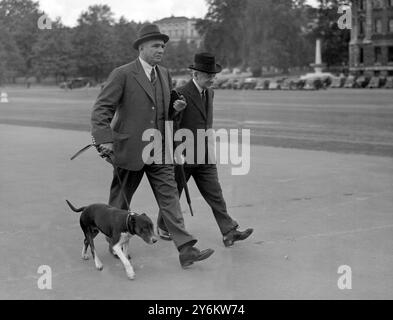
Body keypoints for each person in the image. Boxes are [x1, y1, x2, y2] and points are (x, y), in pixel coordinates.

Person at [90, 24, 214, 268]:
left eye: (163, 46)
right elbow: (101, 109)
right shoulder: (123, 74)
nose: (161, 50)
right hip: (129, 150)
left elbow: (163, 112)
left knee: (169, 198)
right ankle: (117, 243)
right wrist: (104, 139)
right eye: (156, 45)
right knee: (120, 203)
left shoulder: (165, 75)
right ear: (142, 47)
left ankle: (186, 248)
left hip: (159, 149)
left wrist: (175, 110)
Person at [159, 53, 253, 247]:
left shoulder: (210, 92)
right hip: (183, 154)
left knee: (215, 193)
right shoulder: (180, 93)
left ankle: (229, 231)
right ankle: (162, 225)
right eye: (208, 75)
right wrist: (177, 150)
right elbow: (170, 122)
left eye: (213, 74)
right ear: (195, 73)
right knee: (174, 193)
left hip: (205, 154)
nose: (212, 78)